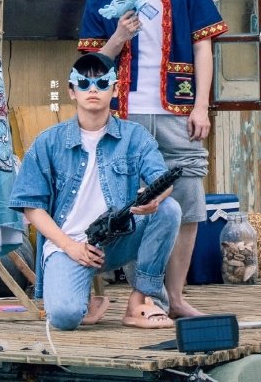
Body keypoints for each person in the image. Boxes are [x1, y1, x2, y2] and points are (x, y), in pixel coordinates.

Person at [79, 0, 227, 319]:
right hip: (122, 114)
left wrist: (201, 105)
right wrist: (118, 36)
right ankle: (144, 297)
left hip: (178, 109)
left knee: (188, 200)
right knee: (129, 205)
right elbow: (92, 66)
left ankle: (175, 297)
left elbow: (202, 47)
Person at [10, 52, 180, 331]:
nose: (93, 90)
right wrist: (70, 246)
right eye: (84, 83)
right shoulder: (48, 142)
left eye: (102, 83)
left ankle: (139, 301)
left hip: (119, 237)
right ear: (71, 91)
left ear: (115, 90)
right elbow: (31, 206)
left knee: (169, 209)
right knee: (64, 317)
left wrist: (154, 198)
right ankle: (85, 301)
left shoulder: (135, 136)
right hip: (69, 245)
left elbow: (164, 180)